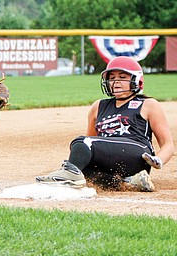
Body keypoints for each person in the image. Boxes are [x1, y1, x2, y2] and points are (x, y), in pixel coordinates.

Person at [36, 56, 174, 192]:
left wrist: (158, 160)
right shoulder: (98, 106)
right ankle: (130, 182)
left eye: (122, 77)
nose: (116, 82)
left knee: (82, 142)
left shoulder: (148, 104)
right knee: (84, 168)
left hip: (137, 154)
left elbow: (168, 144)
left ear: (137, 80)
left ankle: (70, 176)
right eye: (112, 78)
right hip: (113, 161)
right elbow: (93, 142)